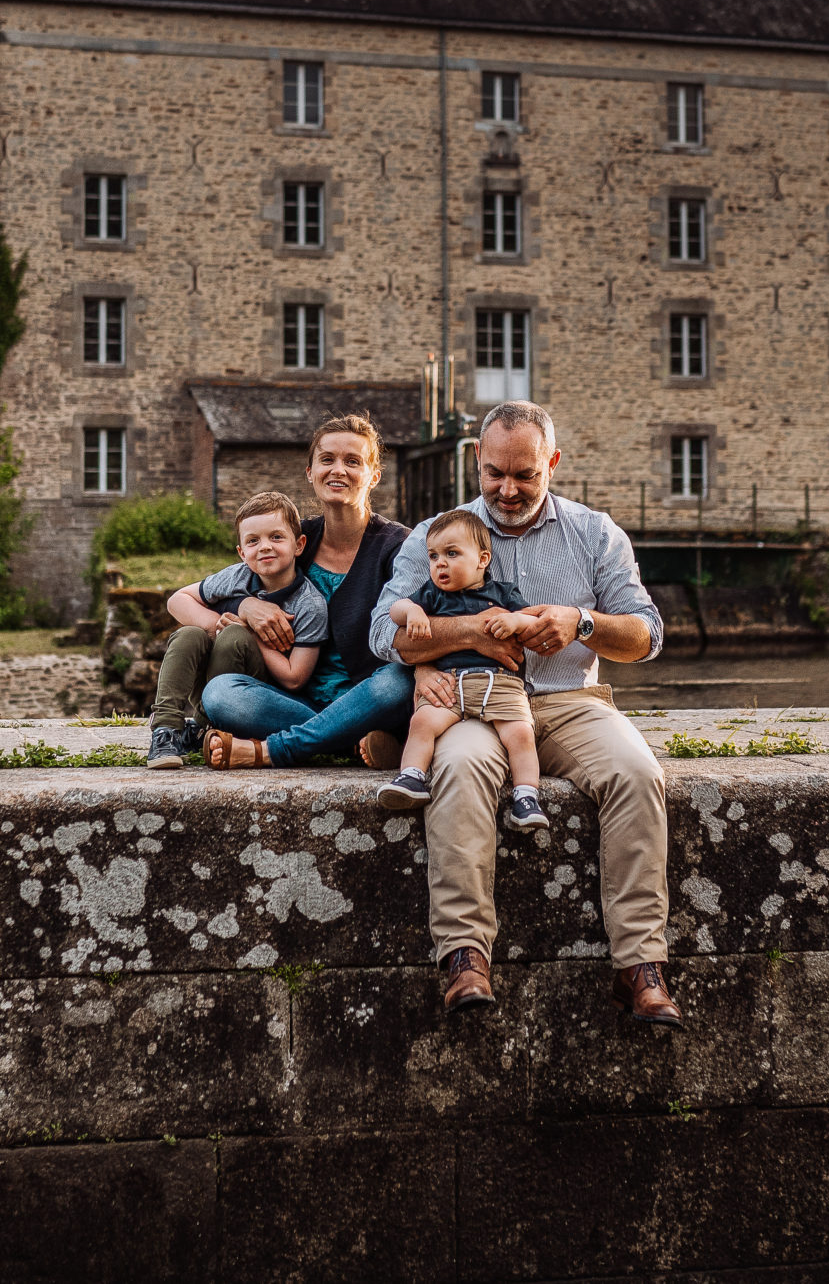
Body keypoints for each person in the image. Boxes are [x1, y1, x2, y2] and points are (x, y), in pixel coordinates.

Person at [368, 400, 681, 1028]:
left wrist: (580, 621)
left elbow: (647, 636)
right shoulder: (437, 534)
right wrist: (473, 636)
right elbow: (384, 633)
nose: (507, 490)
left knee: (636, 773)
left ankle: (639, 966)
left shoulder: (595, 534)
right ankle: (464, 957)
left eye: (525, 475)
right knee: (456, 772)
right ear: (476, 463)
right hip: (472, 705)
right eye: (494, 474)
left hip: (569, 703)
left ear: (553, 464)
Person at [147, 415, 416, 769]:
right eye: (327, 459)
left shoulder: (399, 546)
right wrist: (246, 606)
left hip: (364, 698)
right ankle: (347, 742)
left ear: (374, 476)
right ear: (310, 472)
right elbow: (217, 589)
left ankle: (282, 747)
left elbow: (419, 625)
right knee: (220, 694)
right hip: (290, 701)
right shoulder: (289, 539)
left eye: (353, 461)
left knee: (397, 682)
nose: (338, 470)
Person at [376, 510, 548, 831]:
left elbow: (532, 621)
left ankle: (527, 796)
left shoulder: (503, 593)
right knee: (423, 721)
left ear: (482, 559)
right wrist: (412, 610)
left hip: (500, 684)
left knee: (520, 734)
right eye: (433, 556)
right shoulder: (431, 595)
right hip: (451, 685)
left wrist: (514, 620)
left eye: (451, 554)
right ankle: (412, 776)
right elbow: (394, 609)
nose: (440, 563)